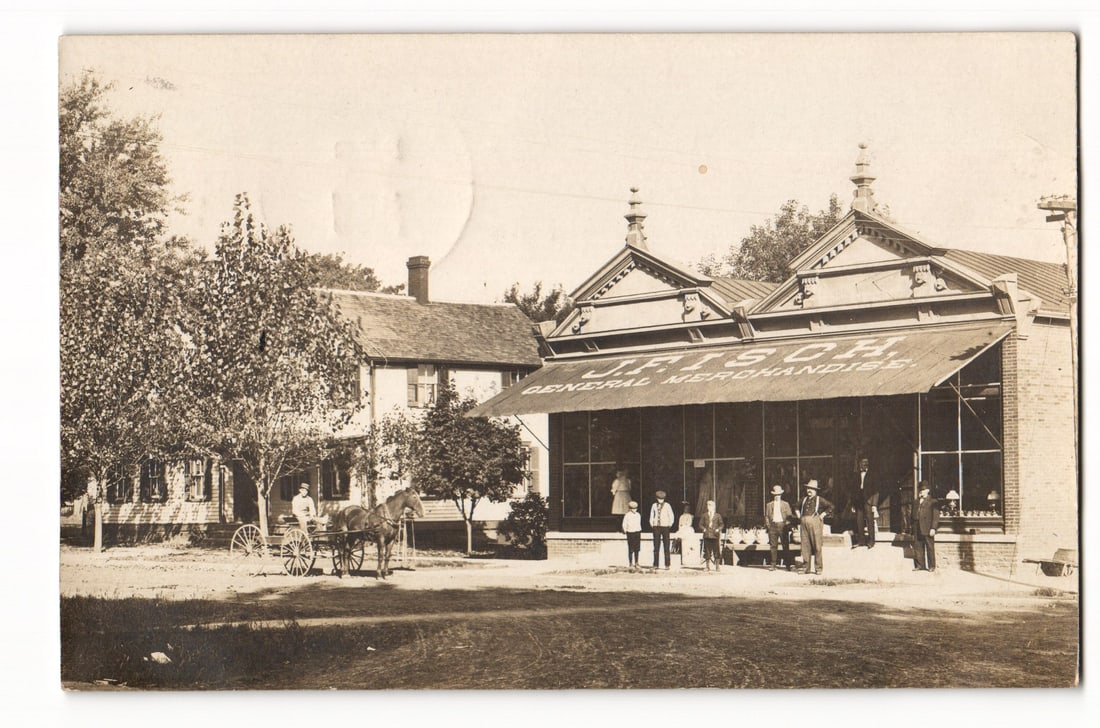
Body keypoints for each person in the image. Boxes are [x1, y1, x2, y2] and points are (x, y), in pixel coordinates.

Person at [797, 480, 832, 575]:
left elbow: (831, 506)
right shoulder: (803, 499)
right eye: (808, 488)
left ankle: (818, 568)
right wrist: (798, 513)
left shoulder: (819, 499)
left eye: (811, 489)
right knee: (805, 546)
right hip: (804, 524)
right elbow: (796, 507)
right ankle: (806, 567)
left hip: (815, 523)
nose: (809, 490)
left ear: (815, 491)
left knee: (817, 546)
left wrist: (823, 514)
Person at [851, 457, 880, 548]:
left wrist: (874, 504)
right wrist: (853, 504)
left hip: (869, 501)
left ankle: (871, 541)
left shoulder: (873, 475)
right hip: (859, 501)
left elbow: (876, 490)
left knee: (869, 521)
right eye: (862, 463)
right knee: (859, 521)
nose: (864, 464)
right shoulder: (856, 476)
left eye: (866, 463)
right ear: (859, 464)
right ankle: (861, 541)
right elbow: (854, 491)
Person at [764, 485, 795, 571]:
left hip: (782, 526)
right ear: (773, 495)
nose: (777, 496)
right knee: (773, 546)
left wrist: (787, 525)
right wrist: (768, 526)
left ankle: (787, 565)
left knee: (785, 545)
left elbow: (789, 516)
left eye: (779, 494)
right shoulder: (769, 505)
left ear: (781, 494)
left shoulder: (785, 504)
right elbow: (766, 516)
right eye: (775, 495)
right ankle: (773, 564)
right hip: (773, 526)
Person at [912, 481, 940, 572]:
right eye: (920, 489)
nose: (921, 491)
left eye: (923, 490)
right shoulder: (916, 501)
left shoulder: (933, 502)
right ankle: (920, 565)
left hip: (928, 527)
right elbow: (912, 515)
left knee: (930, 546)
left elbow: (936, 516)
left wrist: (933, 528)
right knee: (918, 546)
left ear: (928, 490)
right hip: (917, 527)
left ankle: (932, 566)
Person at [650, 490, 675, 570]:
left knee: (666, 546)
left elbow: (671, 515)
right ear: (656, 498)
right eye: (659, 499)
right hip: (656, 527)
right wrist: (652, 523)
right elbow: (651, 515)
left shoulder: (667, 505)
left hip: (665, 527)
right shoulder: (654, 505)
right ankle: (655, 564)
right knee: (656, 546)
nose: (660, 500)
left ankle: (667, 564)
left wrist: (669, 524)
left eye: (662, 499)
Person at [698, 499, 724, 572]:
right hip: (707, 535)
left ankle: (717, 566)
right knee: (707, 551)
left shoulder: (718, 516)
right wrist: (704, 529)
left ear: (714, 506)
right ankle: (707, 566)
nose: (709, 506)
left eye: (710, 505)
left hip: (715, 536)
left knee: (716, 551)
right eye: (708, 505)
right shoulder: (704, 515)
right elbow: (700, 524)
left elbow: (722, 524)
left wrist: (718, 529)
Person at [621, 500, 642, 570]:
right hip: (630, 532)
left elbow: (638, 523)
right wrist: (625, 530)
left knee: (637, 548)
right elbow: (624, 523)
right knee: (631, 549)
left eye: (635, 508)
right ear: (630, 508)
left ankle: (637, 562)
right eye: (633, 508)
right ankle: (630, 563)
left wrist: (639, 530)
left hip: (637, 532)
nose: (634, 510)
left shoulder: (638, 515)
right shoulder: (627, 515)